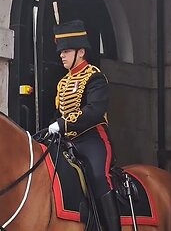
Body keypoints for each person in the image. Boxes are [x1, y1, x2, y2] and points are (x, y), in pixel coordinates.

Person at [48, 19, 121, 231]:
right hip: (67, 141)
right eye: (61, 51)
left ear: (80, 52)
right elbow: (58, 113)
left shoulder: (95, 77)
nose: (61, 55)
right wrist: (51, 127)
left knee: (99, 177)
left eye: (66, 51)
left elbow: (94, 111)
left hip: (92, 140)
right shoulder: (62, 83)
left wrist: (62, 123)